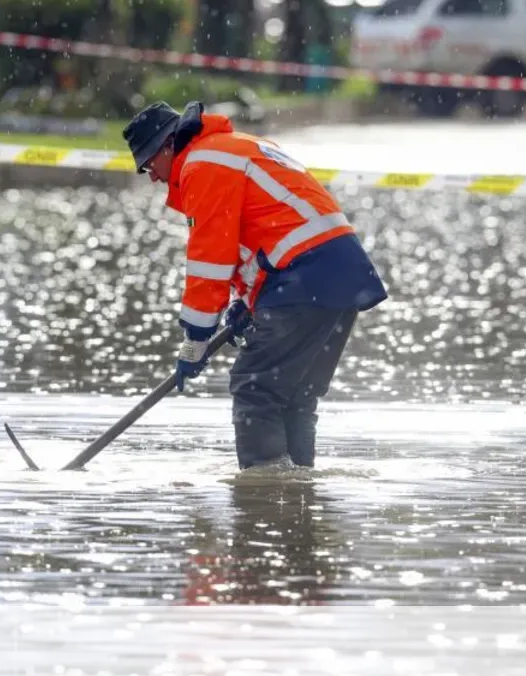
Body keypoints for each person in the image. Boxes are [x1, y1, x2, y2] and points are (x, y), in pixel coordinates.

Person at [122, 100, 388, 470]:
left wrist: (195, 339)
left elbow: (210, 256)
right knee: (295, 396)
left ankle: (264, 496)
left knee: (255, 388)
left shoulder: (204, 163)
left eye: (150, 164)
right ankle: (297, 495)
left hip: (303, 277)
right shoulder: (236, 147)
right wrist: (248, 302)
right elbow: (263, 235)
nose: (152, 176)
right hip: (340, 274)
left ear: (168, 146)